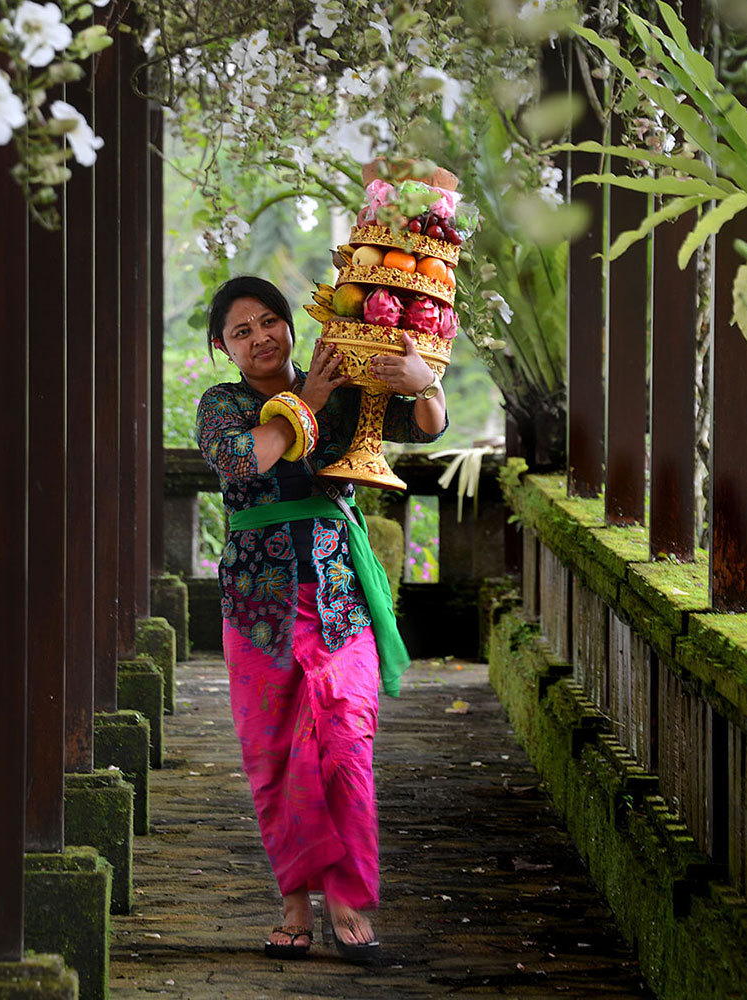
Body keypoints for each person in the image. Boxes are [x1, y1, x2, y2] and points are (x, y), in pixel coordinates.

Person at [195, 275, 448, 961]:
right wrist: (301, 405)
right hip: (258, 607)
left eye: (270, 321)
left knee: (344, 742)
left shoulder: (339, 379)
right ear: (224, 347)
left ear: (291, 325)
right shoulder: (222, 405)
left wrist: (425, 379)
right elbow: (244, 460)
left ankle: (344, 896)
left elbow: (423, 428)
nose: (260, 338)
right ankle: (295, 904)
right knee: (275, 755)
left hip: (338, 595)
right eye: (242, 331)